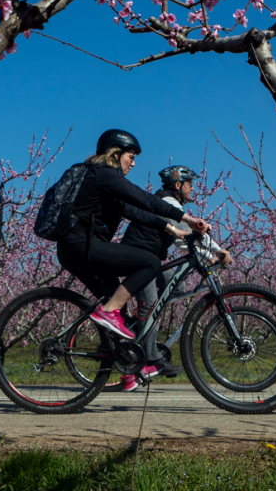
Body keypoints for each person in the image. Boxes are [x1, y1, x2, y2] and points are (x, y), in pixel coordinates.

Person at [56, 130, 212, 391]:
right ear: (115, 154)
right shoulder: (105, 175)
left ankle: (128, 367)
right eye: (131, 156)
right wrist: (185, 218)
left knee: (119, 312)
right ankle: (108, 312)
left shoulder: (104, 183)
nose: (134, 162)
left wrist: (174, 230)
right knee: (150, 263)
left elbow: (138, 213)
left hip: (76, 250)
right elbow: (145, 199)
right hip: (83, 247)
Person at [120, 165, 233, 390]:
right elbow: (191, 234)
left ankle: (137, 331)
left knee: (177, 286)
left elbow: (184, 241)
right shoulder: (169, 204)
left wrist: (208, 256)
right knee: (150, 305)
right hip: (138, 259)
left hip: (150, 260)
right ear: (178, 185)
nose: (193, 189)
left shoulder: (171, 204)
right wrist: (218, 251)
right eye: (190, 184)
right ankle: (148, 357)